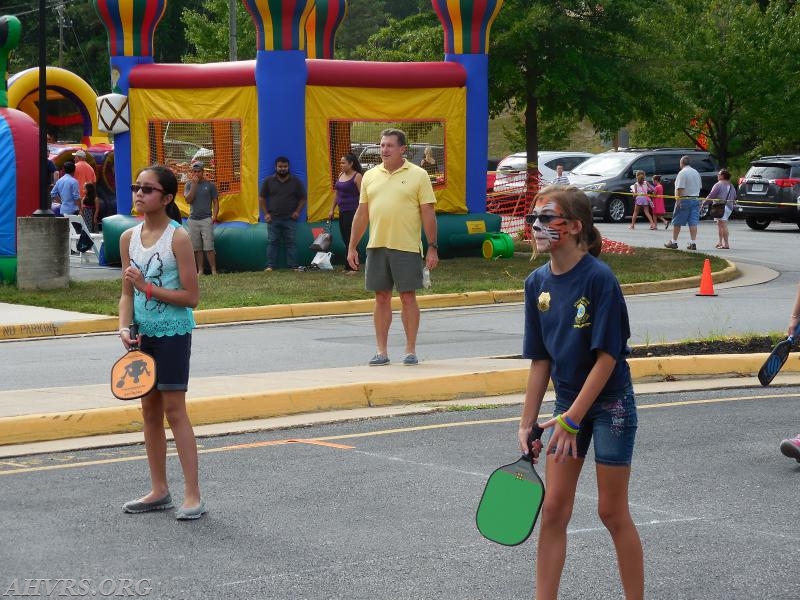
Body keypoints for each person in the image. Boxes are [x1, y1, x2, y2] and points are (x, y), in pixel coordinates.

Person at [518, 185, 644, 600]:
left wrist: (572, 421)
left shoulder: (599, 279)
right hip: (565, 408)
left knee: (611, 511)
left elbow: (607, 357)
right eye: (534, 217)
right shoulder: (536, 283)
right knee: (553, 509)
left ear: (573, 227)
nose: (536, 225)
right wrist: (527, 423)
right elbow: (540, 360)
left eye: (546, 218)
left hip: (610, 405)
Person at [118, 164, 205, 520]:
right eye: (137, 187)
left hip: (173, 332)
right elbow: (125, 293)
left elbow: (191, 296)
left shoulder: (178, 237)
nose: (140, 193)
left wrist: (147, 288)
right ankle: (159, 490)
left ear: (167, 198)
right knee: (149, 412)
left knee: (173, 410)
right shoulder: (128, 238)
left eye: (149, 189)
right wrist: (124, 326)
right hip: (143, 336)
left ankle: (193, 495)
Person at [347, 128, 439, 367]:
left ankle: (410, 350)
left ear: (402, 149)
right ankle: (381, 351)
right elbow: (362, 213)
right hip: (377, 245)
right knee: (381, 297)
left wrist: (432, 246)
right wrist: (352, 246)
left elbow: (428, 212)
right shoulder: (369, 176)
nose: (384, 150)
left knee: (408, 296)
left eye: (389, 145)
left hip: (407, 246)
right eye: (382, 145)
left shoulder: (418, 175)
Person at [259, 156, 307, 271]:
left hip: (290, 218)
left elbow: (303, 198)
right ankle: (270, 266)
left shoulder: (295, 181)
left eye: (285, 166)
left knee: (291, 242)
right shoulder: (268, 181)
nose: (283, 169)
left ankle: (294, 266)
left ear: (288, 167)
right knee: (272, 242)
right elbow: (261, 198)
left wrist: (297, 212)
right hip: (273, 218)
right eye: (280, 166)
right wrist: (266, 214)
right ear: (275, 167)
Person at [328, 153, 363, 274]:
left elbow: (362, 195)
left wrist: (361, 211)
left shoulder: (357, 176)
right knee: (345, 238)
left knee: (352, 239)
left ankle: (355, 267)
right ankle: (348, 266)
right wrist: (332, 209)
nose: (341, 165)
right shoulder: (341, 175)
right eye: (340, 162)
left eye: (343, 163)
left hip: (353, 211)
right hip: (342, 211)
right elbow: (337, 194)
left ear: (351, 164)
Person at [184, 161, 219, 275]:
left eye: (199, 171)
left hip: (206, 219)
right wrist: (194, 185)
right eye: (194, 171)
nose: (196, 174)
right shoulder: (188, 185)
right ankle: (200, 271)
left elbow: (215, 201)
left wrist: (214, 216)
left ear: (203, 172)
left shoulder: (210, 185)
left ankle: (214, 271)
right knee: (196, 248)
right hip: (193, 219)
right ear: (191, 172)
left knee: (209, 247)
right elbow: (188, 200)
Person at [665, 155, 702, 250]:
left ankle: (674, 241)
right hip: (695, 199)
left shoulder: (682, 173)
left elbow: (680, 188)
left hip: (684, 199)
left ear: (682, 163)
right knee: (693, 222)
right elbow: (699, 187)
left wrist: (678, 200)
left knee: (677, 222)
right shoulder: (696, 172)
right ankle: (693, 243)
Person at [705, 168, 736, 249]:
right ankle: (720, 242)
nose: (717, 175)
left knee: (723, 225)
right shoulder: (731, 185)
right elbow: (734, 197)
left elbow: (711, 195)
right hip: (729, 207)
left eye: (719, 174)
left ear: (722, 176)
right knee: (720, 224)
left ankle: (726, 244)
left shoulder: (718, 184)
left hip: (720, 207)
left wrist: (704, 203)